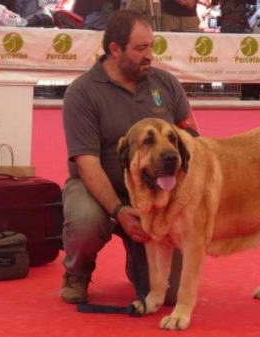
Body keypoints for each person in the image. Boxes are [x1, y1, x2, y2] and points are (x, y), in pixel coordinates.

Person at [61, 9, 199, 305]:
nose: (149, 55)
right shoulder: (81, 93)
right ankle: (78, 272)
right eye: (140, 48)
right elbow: (86, 164)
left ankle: (136, 262)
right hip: (99, 189)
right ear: (114, 49)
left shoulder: (167, 84)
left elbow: (193, 141)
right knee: (85, 221)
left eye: (151, 46)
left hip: (155, 194)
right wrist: (119, 211)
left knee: (171, 296)